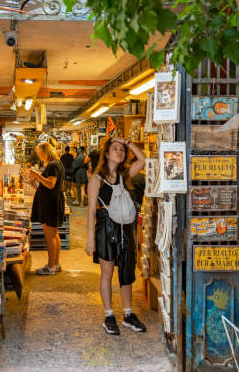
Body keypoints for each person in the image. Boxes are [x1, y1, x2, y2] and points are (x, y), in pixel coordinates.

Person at [86, 136, 147, 335]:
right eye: (115, 148)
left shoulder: (125, 175)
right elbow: (91, 212)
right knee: (107, 273)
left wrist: (127, 142)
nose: (119, 151)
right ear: (106, 154)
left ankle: (128, 315)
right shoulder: (96, 179)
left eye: (122, 149)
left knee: (127, 273)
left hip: (125, 229)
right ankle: (109, 315)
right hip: (105, 229)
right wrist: (90, 239)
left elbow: (143, 160)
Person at [26, 142, 65, 275]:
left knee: (50, 236)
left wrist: (37, 175)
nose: (38, 156)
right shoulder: (57, 163)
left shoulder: (53, 165)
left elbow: (50, 184)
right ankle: (56, 264)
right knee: (54, 235)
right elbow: (47, 183)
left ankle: (50, 266)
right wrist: (36, 181)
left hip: (50, 203)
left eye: (39, 153)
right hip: (53, 201)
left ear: (44, 152)